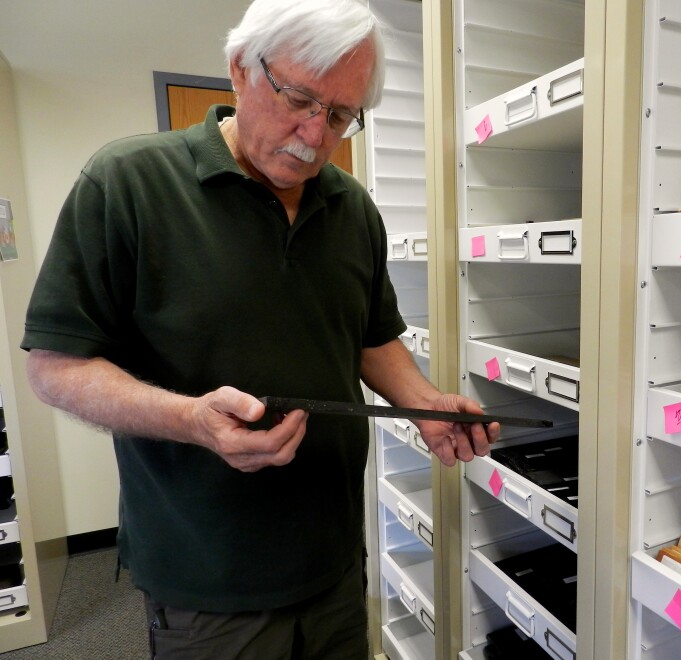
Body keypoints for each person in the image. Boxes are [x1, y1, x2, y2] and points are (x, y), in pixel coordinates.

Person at [21, 0, 500, 657]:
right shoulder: (127, 183)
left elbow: (369, 338)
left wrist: (422, 405)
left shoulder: (352, 207)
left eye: (338, 116)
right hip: (207, 577)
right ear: (241, 69)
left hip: (332, 561)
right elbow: (55, 367)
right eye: (299, 98)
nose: (313, 134)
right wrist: (192, 420)